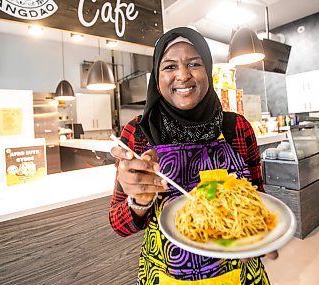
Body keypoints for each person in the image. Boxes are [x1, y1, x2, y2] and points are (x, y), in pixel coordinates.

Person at [109, 27, 277, 285]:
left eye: (194, 64)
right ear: (156, 77)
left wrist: (259, 236)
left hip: (240, 273)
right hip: (165, 277)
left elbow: (257, 198)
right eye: (169, 67)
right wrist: (139, 202)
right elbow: (119, 225)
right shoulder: (137, 133)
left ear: (208, 71)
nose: (183, 75)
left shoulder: (237, 127)